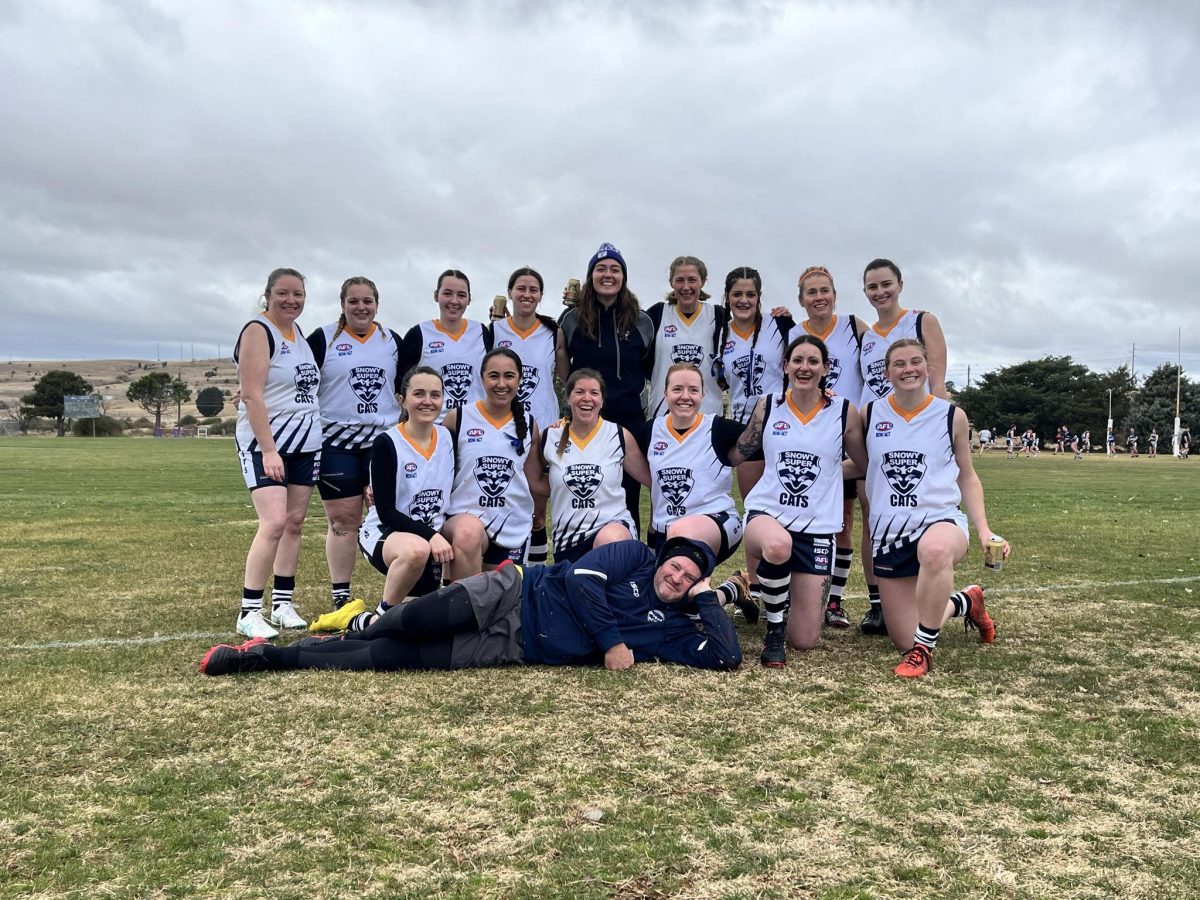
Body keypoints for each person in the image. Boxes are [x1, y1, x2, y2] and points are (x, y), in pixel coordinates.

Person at [199, 537, 743, 675]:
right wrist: (614, 643)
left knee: (389, 658)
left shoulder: (674, 630)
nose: (677, 576)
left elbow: (725, 658)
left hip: (512, 645)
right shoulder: (637, 558)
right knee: (408, 620)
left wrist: (708, 603)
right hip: (511, 592)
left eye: (690, 577)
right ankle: (352, 625)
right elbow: (579, 581)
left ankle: (262, 660)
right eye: (677, 566)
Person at [862, 338, 1010, 677]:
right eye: (899, 364)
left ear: (928, 368)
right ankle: (966, 601)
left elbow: (967, 475)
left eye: (915, 361)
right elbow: (855, 463)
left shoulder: (951, 415)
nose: (908, 369)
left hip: (940, 520)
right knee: (903, 634)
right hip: (889, 534)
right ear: (887, 373)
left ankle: (923, 652)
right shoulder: (870, 413)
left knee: (935, 550)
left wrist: (985, 530)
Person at [730, 334, 868, 666]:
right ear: (786, 366)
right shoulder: (768, 404)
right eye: (797, 361)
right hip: (770, 515)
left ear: (825, 369)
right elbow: (738, 452)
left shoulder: (844, 411)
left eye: (813, 361)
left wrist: (828, 473)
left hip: (817, 527)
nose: (804, 367)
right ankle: (773, 631)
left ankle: (748, 588)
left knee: (805, 640)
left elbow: (863, 464)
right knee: (777, 546)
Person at [309, 366, 458, 633]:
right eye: (419, 393)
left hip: (427, 541)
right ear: (402, 399)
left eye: (435, 394)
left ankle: (354, 618)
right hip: (387, 534)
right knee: (416, 551)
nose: (427, 401)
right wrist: (431, 536)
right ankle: (377, 622)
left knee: (419, 622)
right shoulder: (387, 443)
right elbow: (387, 512)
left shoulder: (448, 437)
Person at [855, 259, 950, 636]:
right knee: (871, 511)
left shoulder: (923, 320)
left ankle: (930, 592)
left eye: (886, 284)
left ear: (899, 284)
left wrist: (941, 434)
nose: (880, 292)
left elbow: (938, 382)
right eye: (872, 286)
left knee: (917, 509)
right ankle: (879, 601)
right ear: (864, 291)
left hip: (916, 430)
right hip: (876, 427)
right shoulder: (866, 334)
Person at [232, 268, 323, 639]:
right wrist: (269, 450)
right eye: (283, 293)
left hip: (304, 443)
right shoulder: (258, 330)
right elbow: (251, 394)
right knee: (272, 523)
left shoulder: (298, 333)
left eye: (298, 294)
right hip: (267, 443)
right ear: (267, 295)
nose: (291, 300)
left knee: (294, 523)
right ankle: (249, 609)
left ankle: (282, 603)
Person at [306, 276, 403, 612]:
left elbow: (409, 385)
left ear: (377, 304)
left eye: (368, 301)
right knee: (343, 521)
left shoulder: (392, 340)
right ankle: (341, 597)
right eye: (353, 301)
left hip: (383, 444)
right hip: (336, 443)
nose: (361, 307)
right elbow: (297, 379)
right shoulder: (321, 339)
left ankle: (397, 592)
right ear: (342, 305)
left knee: (390, 516)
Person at [557, 243, 654, 534]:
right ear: (591, 275)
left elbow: (650, 366)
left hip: (629, 420)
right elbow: (563, 364)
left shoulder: (643, 320)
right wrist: (575, 394)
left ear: (623, 276)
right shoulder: (571, 318)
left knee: (627, 495)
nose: (608, 274)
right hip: (587, 420)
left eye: (615, 269)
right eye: (601, 269)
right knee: (586, 491)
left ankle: (629, 560)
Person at [715, 266, 795, 611]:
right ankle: (755, 587)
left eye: (750, 294)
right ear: (727, 298)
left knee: (786, 504)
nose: (744, 300)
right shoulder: (720, 331)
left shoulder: (779, 327)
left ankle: (786, 579)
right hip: (744, 428)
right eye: (737, 294)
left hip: (782, 425)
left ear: (759, 297)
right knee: (755, 510)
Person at [796, 266, 865, 629]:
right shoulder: (791, 332)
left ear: (835, 295)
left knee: (843, 521)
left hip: (844, 433)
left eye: (825, 290)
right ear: (801, 300)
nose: (819, 296)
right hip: (806, 436)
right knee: (800, 515)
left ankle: (834, 600)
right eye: (811, 292)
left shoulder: (855, 327)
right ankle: (801, 595)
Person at [442, 348, 546, 578]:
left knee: (502, 602)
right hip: (465, 519)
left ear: (519, 379)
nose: (501, 383)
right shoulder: (457, 418)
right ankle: (461, 609)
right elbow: (434, 469)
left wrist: (540, 508)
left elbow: (532, 477)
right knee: (468, 537)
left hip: (511, 520)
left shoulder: (529, 424)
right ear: (482, 378)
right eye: (493, 376)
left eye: (509, 376)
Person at [489, 266, 565, 563]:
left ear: (541, 296)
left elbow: (565, 374)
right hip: (504, 426)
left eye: (533, 289)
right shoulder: (493, 330)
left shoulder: (552, 331)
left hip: (543, 425)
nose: (527, 294)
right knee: (503, 500)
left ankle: (533, 575)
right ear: (510, 292)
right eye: (521, 288)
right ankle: (502, 571)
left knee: (537, 507)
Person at [535, 369, 651, 563]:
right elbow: (533, 482)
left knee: (607, 546)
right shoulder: (549, 437)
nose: (587, 398)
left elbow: (653, 482)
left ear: (602, 400)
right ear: (568, 398)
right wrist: (536, 517)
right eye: (579, 392)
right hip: (568, 540)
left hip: (612, 530)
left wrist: (656, 525)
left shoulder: (618, 435)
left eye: (594, 393)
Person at [399, 269, 492, 423]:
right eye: (447, 293)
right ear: (436, 296)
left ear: (469, 299)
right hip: (432, 426)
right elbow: (402, 383)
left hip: (475, 425)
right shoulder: (419, 334)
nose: (454, 301)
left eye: (461, 295)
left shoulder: (481, 332)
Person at [644, 256, 726, 419]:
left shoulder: (717, 315)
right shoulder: (657, 314)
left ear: (702, 282)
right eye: (680, 280)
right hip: (664, 413)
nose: (686, 287)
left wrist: (777, 317)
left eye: (692, 280)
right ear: (671, 282)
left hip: (707, 414)